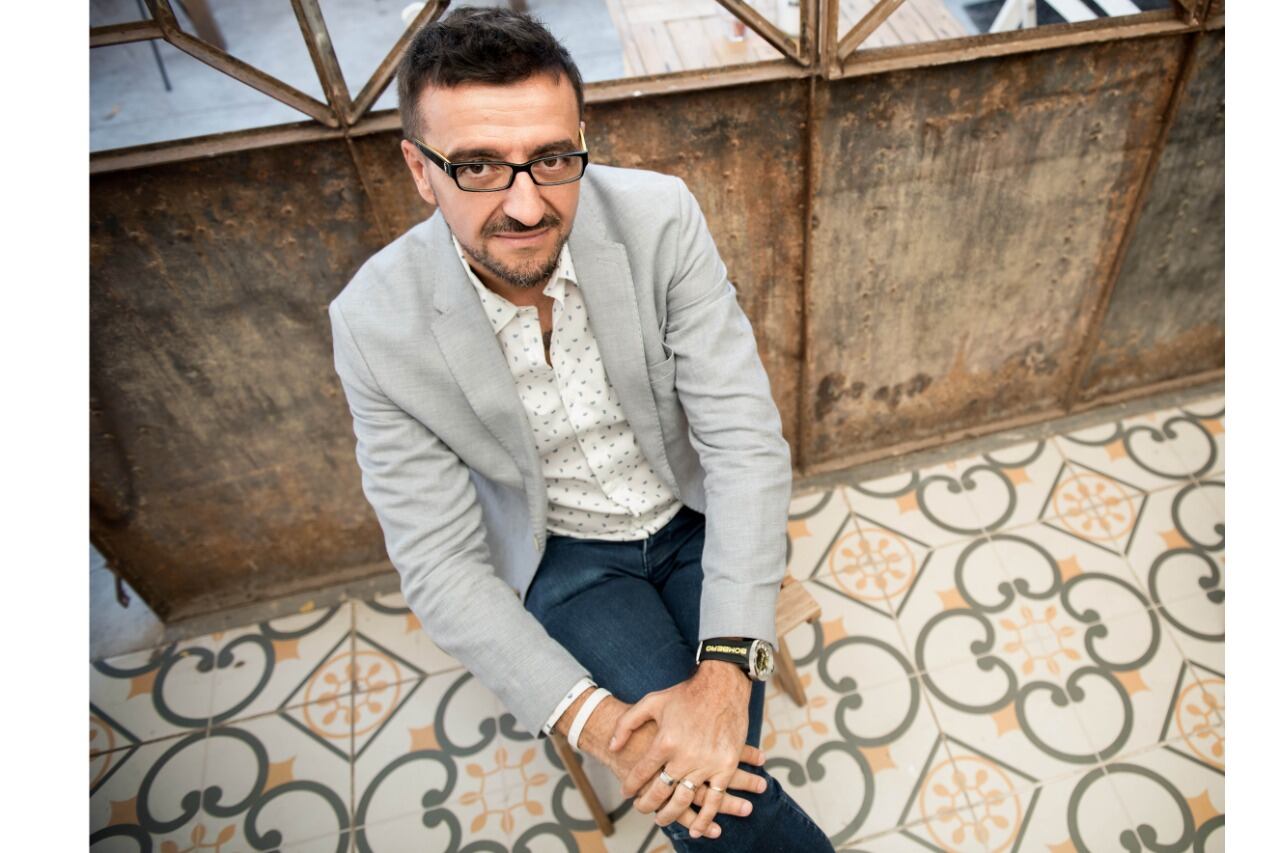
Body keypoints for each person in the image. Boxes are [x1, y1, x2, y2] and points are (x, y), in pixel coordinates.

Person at [328, 7, 833, 850]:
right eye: (478, 166)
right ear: (420, 169)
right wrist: (606, 729)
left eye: (554, 159)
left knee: (702, 781)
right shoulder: (373, 325)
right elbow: (440, 564)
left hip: (692, 513)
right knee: (694, 788)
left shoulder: (660, 217)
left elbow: (742, 439)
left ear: (581, 141)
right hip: (565, 559)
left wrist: (724, 674)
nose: (527, 205)